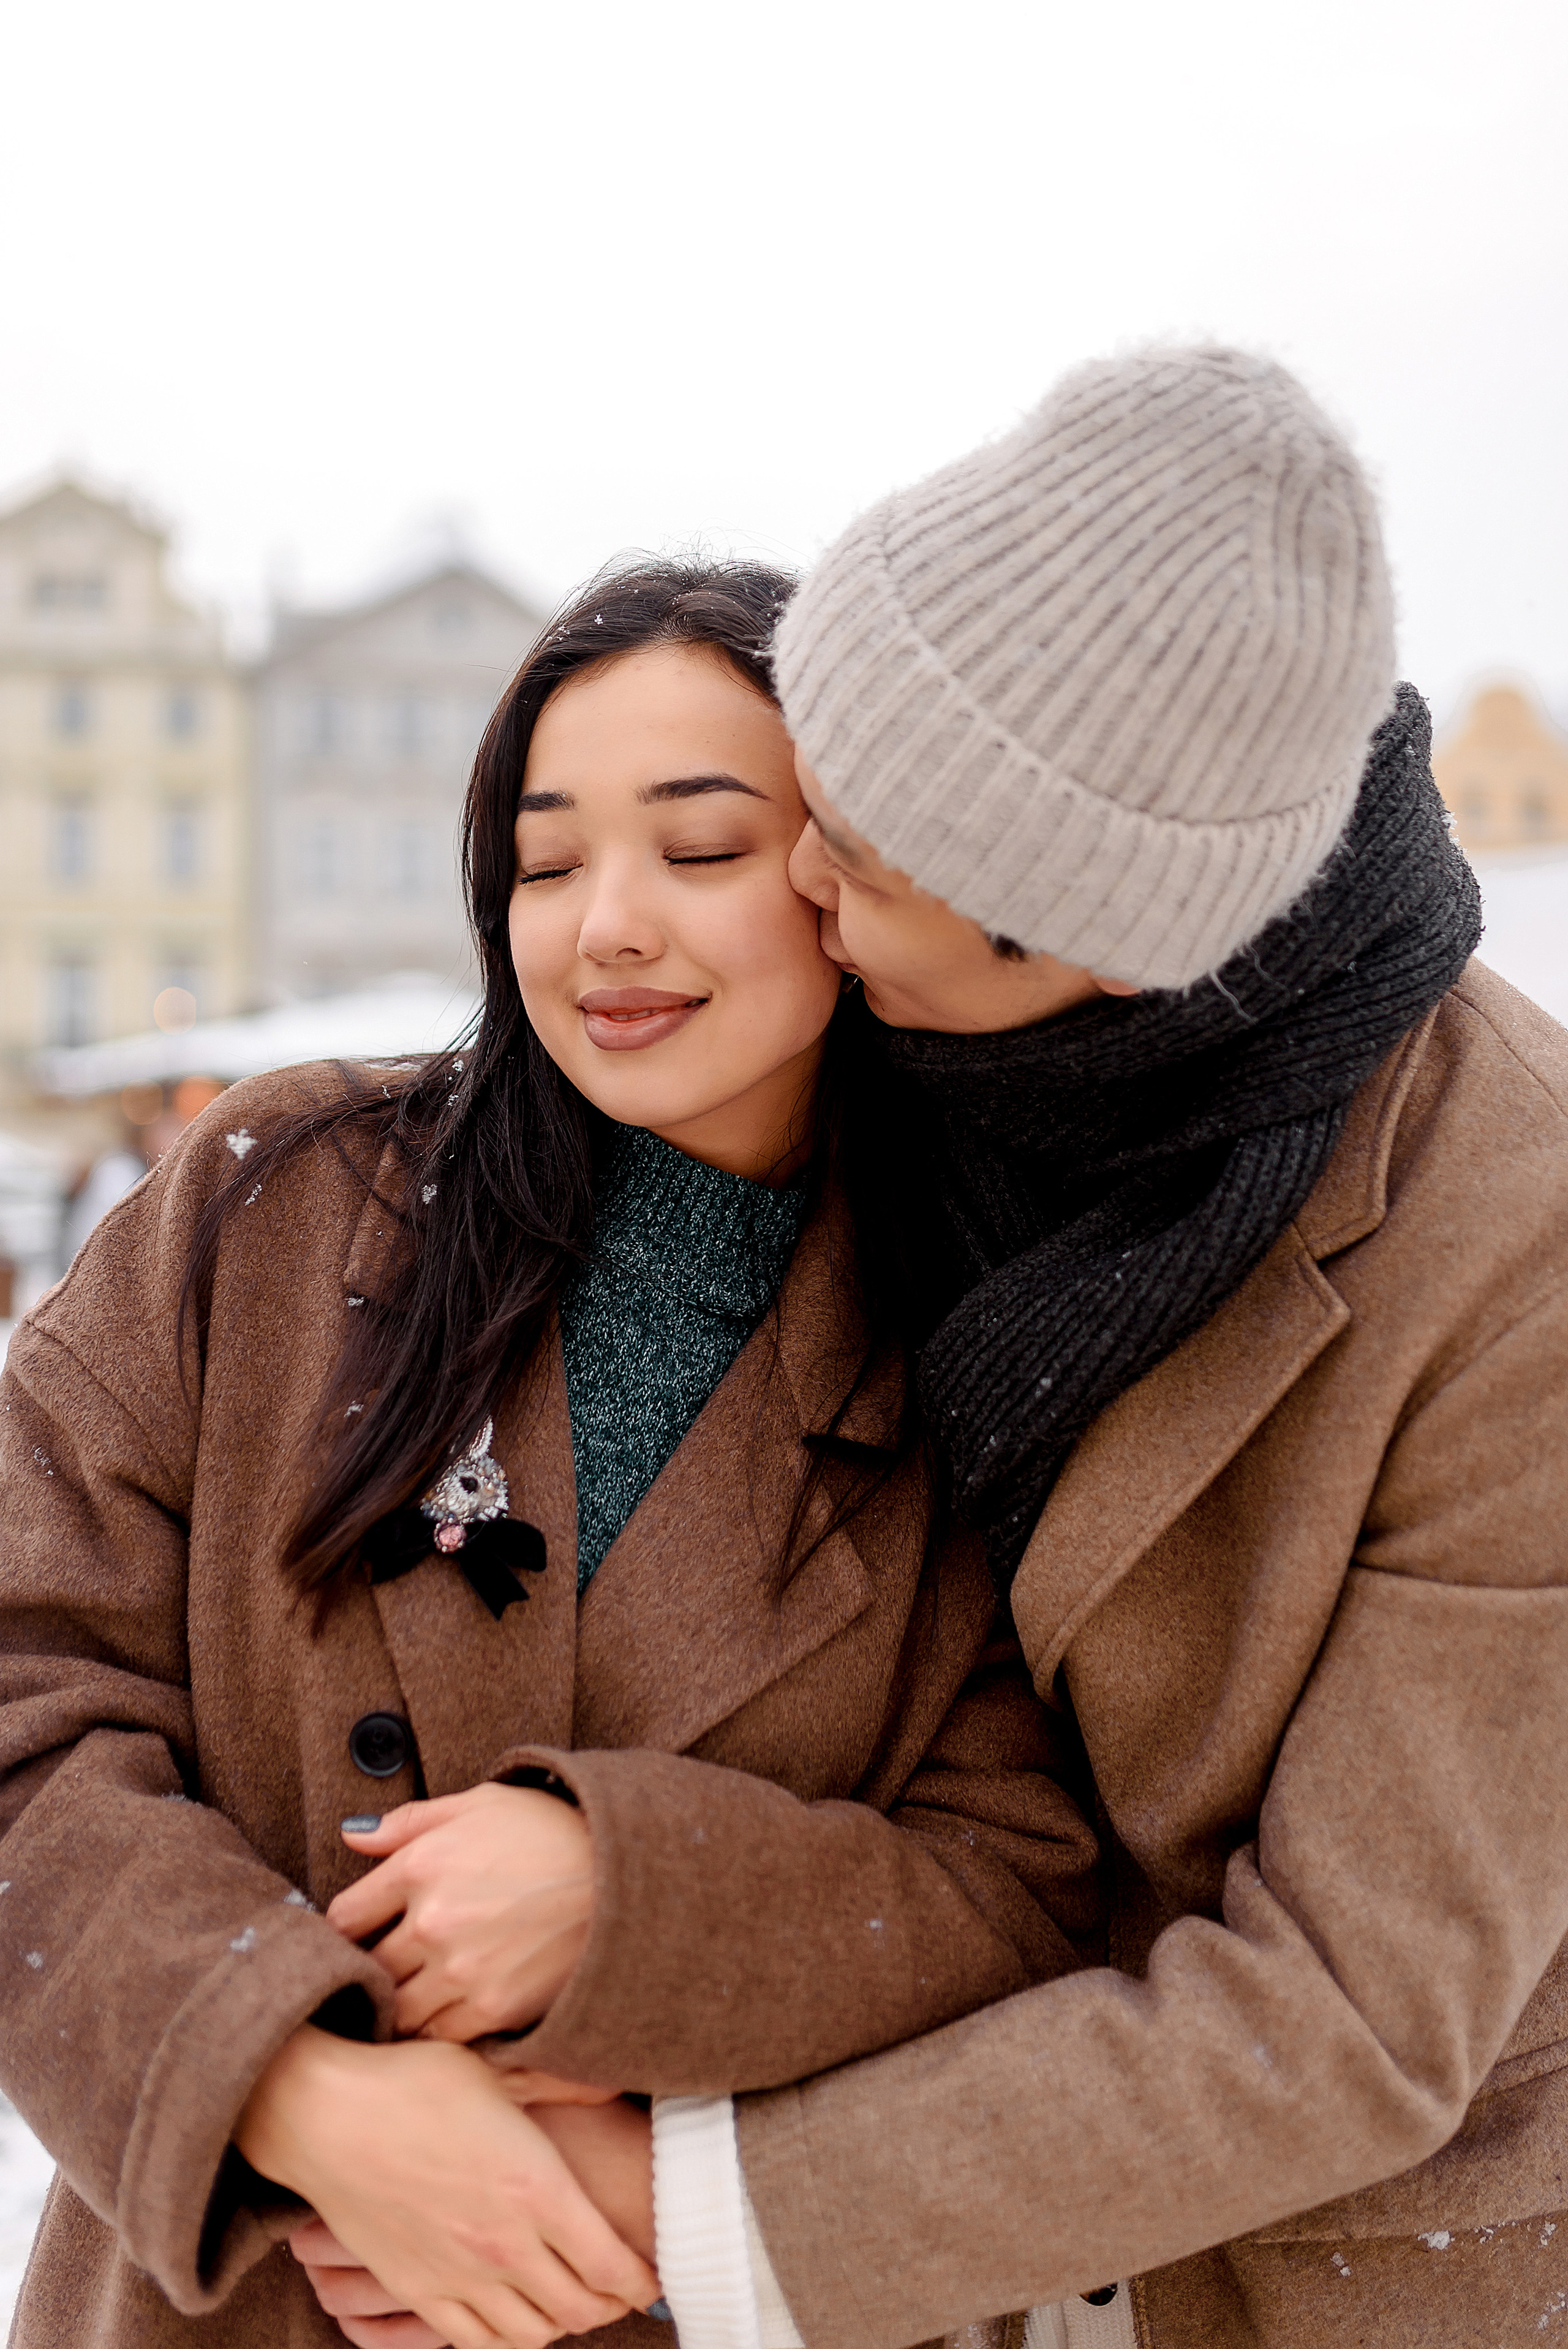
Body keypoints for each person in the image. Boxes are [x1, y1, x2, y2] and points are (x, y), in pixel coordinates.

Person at [308, 349, 1568, 2349]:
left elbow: (1357, 2005)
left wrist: (677, 2199)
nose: (803, 881)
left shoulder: (1522, 1250)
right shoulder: (889, 1065)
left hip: (1294, 2252)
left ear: (1101, 951)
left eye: (860, 864)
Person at [0, 560, 1096, 2349]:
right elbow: (22, 1677)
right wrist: (289, 2074)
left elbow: (1031, 1881)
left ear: (852, 876)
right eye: (549, 855)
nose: (607, 925)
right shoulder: (273, 1200)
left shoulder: (984, 1340)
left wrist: (628, 1894)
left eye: (702, 846)